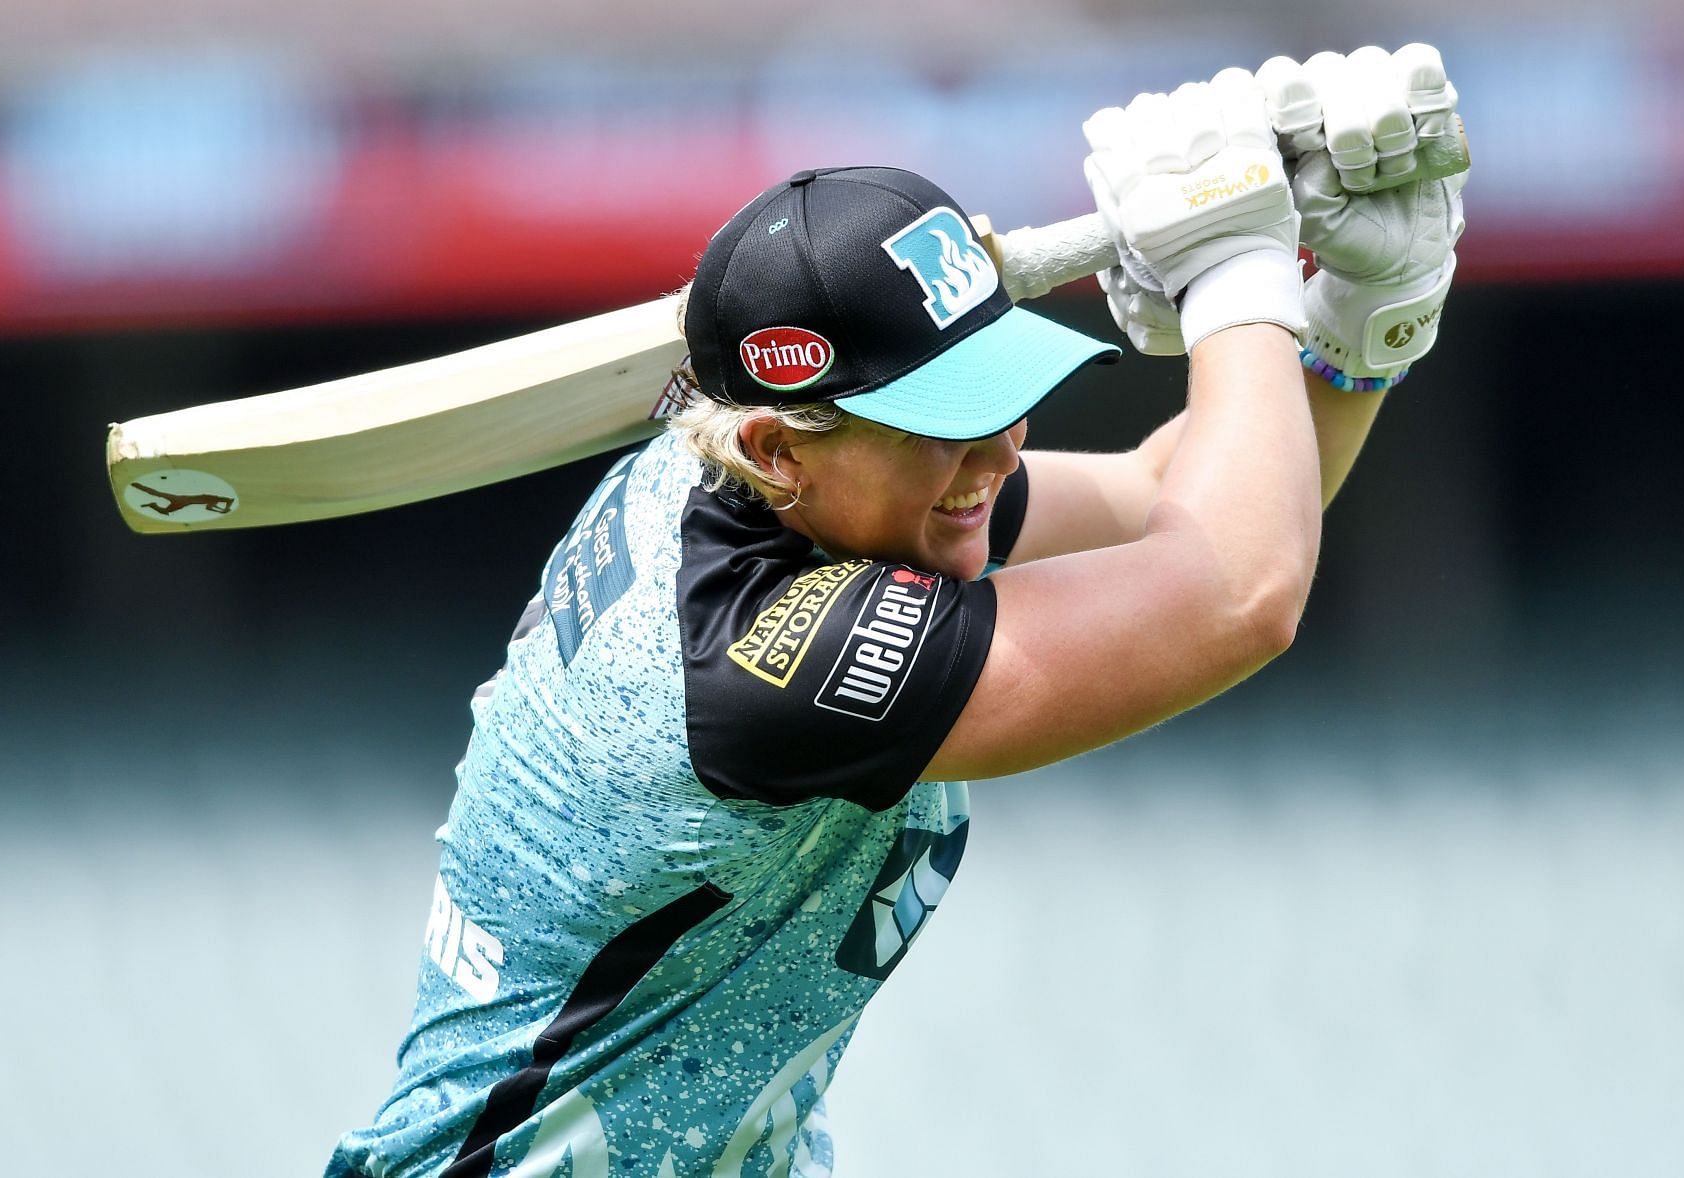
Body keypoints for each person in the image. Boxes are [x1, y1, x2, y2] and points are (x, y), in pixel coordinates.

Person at [327, 51, 1464, 1178]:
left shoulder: (798, 488)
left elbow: (1168, 499)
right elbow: (1236, 592)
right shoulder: (762, 660)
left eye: (1000, 391)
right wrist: (1234, 274)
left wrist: (1356, 321)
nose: (998, 449)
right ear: (778, 446)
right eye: (945, 417)